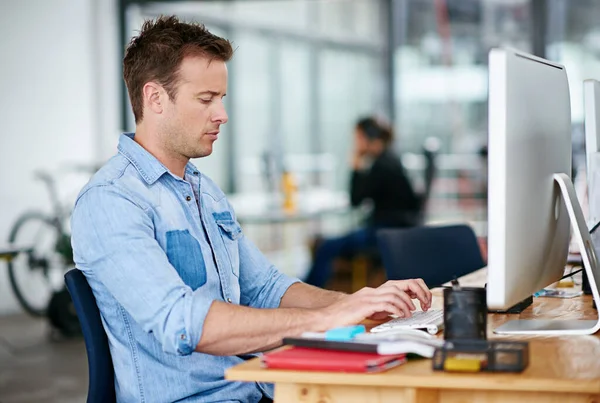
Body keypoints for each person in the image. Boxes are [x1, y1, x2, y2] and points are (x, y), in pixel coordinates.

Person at [70, 16, 431, 403]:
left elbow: (266, 287)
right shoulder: (111, 201)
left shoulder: (203, 191)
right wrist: (327, 319)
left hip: (256, 387)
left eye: (221, 99)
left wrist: (360, 302)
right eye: (206, 99)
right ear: (155, 98)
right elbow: (181, 323)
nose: (221, 114)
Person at [304, 116, 421, 288]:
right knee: (327, 243)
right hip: (395, 230)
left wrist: (356, 165)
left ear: (368, 138)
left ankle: (309, 290)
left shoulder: (382, 166)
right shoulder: (390, 160)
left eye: (357, 138)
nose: (355, 144)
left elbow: (355, 199)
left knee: (325, 246)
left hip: (382, 233)